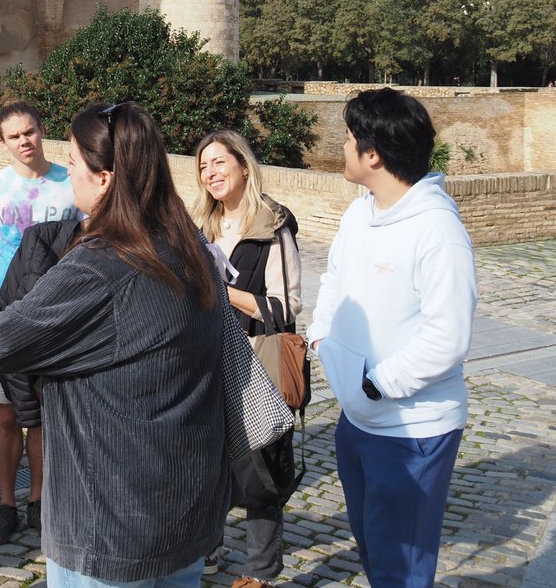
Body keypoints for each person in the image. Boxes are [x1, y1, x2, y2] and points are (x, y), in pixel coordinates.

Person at [0, 102, 229, 587]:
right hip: (185, 508)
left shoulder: (100, 266)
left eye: (74, 162)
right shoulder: (191, 248)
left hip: (111, 523)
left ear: (104, 179)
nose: (67, 172)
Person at [307, 88, 477, 588]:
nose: (342, 146)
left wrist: (377, 384)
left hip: (412, 429)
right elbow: (335, 281)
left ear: (373, 153)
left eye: (347, 138)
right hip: (357, 421)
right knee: (375, 553)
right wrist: (321, 337)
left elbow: (449, 337)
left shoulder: (437, 231)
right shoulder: (360, 213)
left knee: (401, 568)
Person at [0, 101, 78, 545]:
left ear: (42, 129)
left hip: (59, 317)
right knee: (8, 414)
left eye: (30, 132)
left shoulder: (71, 184)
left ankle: (40, 500)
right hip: (8, 313)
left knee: (47, 417)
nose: (25, 141)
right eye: (15, 136)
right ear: (3, 142)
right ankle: (6, 503)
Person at [194, 129, 303, 587]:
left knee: (261, 471)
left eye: (219, 162)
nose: (210, 173)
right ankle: (209, 550)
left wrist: (224, 288)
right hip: (209, 359)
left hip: (258, 362)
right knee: (208, 464)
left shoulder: (274, 225)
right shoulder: (200, 228)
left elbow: (284, 307)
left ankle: (261, 572)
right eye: (202, 166)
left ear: (243, 164)